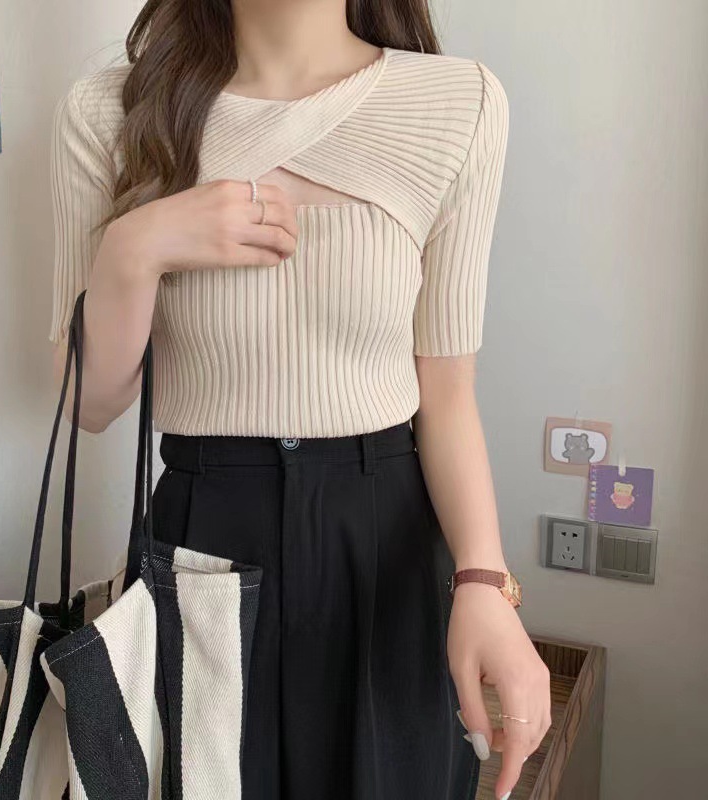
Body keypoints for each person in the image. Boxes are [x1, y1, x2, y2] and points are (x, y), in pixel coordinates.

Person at [47, 1, 551, 798]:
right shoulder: (110, 112)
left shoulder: (458, 104)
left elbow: (448, 394)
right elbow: (91, 403)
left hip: (385, 538)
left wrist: (485, 583)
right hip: (204, 533)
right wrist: (134, 248)